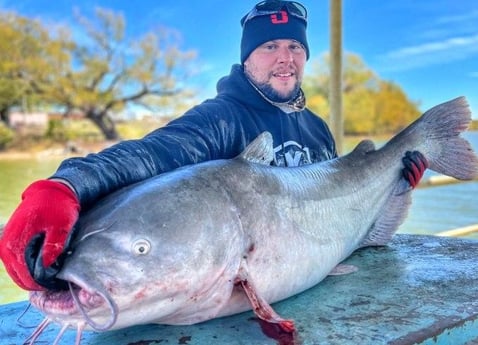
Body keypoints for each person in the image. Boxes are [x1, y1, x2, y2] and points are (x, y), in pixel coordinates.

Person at [0, 0, 427, 291]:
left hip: (326, 292)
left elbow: (340, 206)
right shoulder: (222, 117)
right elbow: (153, 154)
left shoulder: (317, 128)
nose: (285, 57)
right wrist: (67, 186)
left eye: (295, 46)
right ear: (247, 58)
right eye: (269, 47)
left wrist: (394, 184)